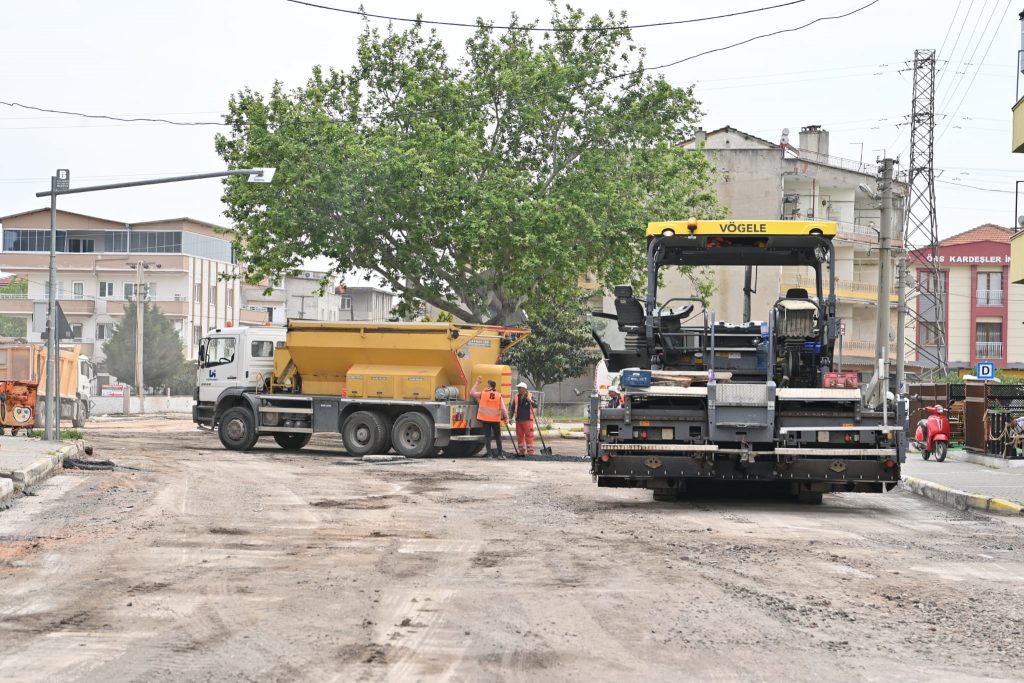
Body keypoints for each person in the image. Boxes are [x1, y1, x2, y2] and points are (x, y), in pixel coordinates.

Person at [471, 377, 509, 458]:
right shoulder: (499, 396)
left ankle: (489, 455)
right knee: (498, 437)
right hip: (495, 420)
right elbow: (503, 408)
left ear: (490, 386)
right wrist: (506, 417)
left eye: (487, 385)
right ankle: (500, 455)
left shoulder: (483, 394)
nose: (486, 386)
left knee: (487, 437)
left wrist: (477, 383)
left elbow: (472, 393)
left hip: (486, 420)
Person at [509, 381, 538, 456]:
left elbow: (536, 405)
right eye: (518, 388)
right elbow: (512, 408)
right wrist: (510, 417)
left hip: (527, 420)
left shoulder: (530, 395)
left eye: (519, 388)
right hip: (518, 420)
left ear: (524, 389)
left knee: (529, 436)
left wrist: (530, 400)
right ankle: (521, 452)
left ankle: (530, 453)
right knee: (519, 436)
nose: (518, 389)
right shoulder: (516, 396)